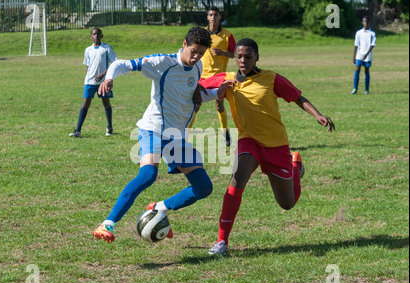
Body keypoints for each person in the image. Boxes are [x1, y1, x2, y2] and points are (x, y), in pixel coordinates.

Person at [92, 27, 229, 243]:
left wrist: (216, 93)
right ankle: (107, 223)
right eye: (193, 51)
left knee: (203, 187)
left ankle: (159, 208)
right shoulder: (162, 63)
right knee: (147, 175)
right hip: (153, 128)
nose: (196, 57)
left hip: (176, 136)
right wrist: (110, 79)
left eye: (201, 53)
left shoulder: (198, 66)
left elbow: (192, 97)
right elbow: (121, 64)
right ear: (184, 44)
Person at [199, 38, 335, 255]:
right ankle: (222, 241)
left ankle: (295, 167)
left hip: (276, 145)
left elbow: (298, 97)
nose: (243, 61)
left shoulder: (271, 78)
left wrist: (317, 115)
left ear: (257, 57)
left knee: (287, 204)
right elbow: (197, 87)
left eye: (248, 56)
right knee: (237, 177)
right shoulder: (228, 79)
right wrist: (215, 91)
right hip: (248, 141)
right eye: (239, 56)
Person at [188, 6, 236, 146]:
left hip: (219, 76)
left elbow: (234, 54)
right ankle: (185, 136)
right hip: (202, 76)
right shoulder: (202, 34)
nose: (213, 17)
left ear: (220, 17)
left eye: (216, 15)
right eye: (211, 15)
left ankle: (224, 131)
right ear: (207, 17)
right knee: (195, 104)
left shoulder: (227, 35)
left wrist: (223, 53)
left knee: (219, 104)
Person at [69, 28, 117, 138]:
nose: (96, 36)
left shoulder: (106, 48)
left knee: (106, 103)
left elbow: (114, 64)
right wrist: (87, 77)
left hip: (103, 82)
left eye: (98, 34)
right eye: (94, 34)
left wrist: (103, 75)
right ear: (91, 36)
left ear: (102, 36)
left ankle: (109, 127)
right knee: (85, 103)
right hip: (89, 81)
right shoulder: (88, 50)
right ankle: (78, 131)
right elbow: (87, 65)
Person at [351, 16, 376, 95]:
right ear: (362, 22)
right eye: (364, 21)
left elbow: (372, 45)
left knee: (366, 71)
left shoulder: (372, 33)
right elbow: (356, 45)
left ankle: (366, 89)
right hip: (359, 54)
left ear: (369, 23)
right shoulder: (359, 33)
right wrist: (354, 56)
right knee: (357, 69)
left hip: (367, 55)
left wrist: (366, 54)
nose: (366, 23)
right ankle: (355, 88)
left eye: (367, 21)